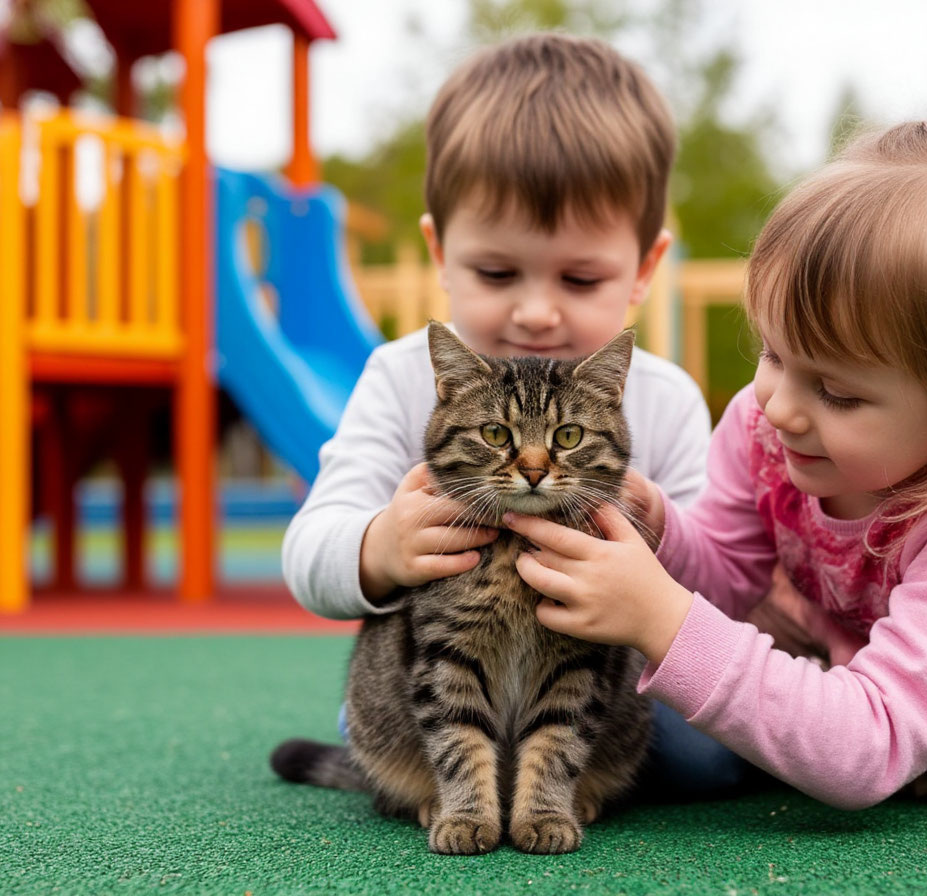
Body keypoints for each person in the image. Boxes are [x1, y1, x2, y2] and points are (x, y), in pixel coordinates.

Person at [506, 119, 927, 809]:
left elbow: (870, 747)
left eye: (837, 392)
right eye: (772, 354)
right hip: (843, 632)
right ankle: (826, 708)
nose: (779, 407)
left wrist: (663, 620)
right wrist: (660, 531)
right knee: (752, 653)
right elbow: (729, 577)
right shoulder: (765, 423)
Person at [280, 33, 722, 790]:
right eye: (495, 271)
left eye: (580, 279)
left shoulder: (665, 396)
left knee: (706, 759)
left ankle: (554, 780)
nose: (536, 312)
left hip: (595, 690)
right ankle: (442, 771)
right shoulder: (401, 376)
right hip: (440, 687)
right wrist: (382, 548)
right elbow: (309, 550)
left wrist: (656, 540)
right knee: (387, 705)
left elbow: (723, 577)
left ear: (645, 269)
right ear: (440, 255)